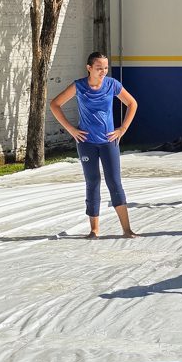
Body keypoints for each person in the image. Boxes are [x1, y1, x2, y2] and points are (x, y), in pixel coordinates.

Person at [50, 52, 138, 239]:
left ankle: (127, 229)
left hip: (109, 142)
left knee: (114, 182)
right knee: (93, 182)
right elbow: (55, 104)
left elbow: (132, 103)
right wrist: (71, 130)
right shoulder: (79, 86)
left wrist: (122, 129)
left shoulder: (112, 85)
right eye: (99, 68)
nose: (103, 71)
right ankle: (94, 230)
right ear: (89, 68)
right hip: (86, 143)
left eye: (105, 68)